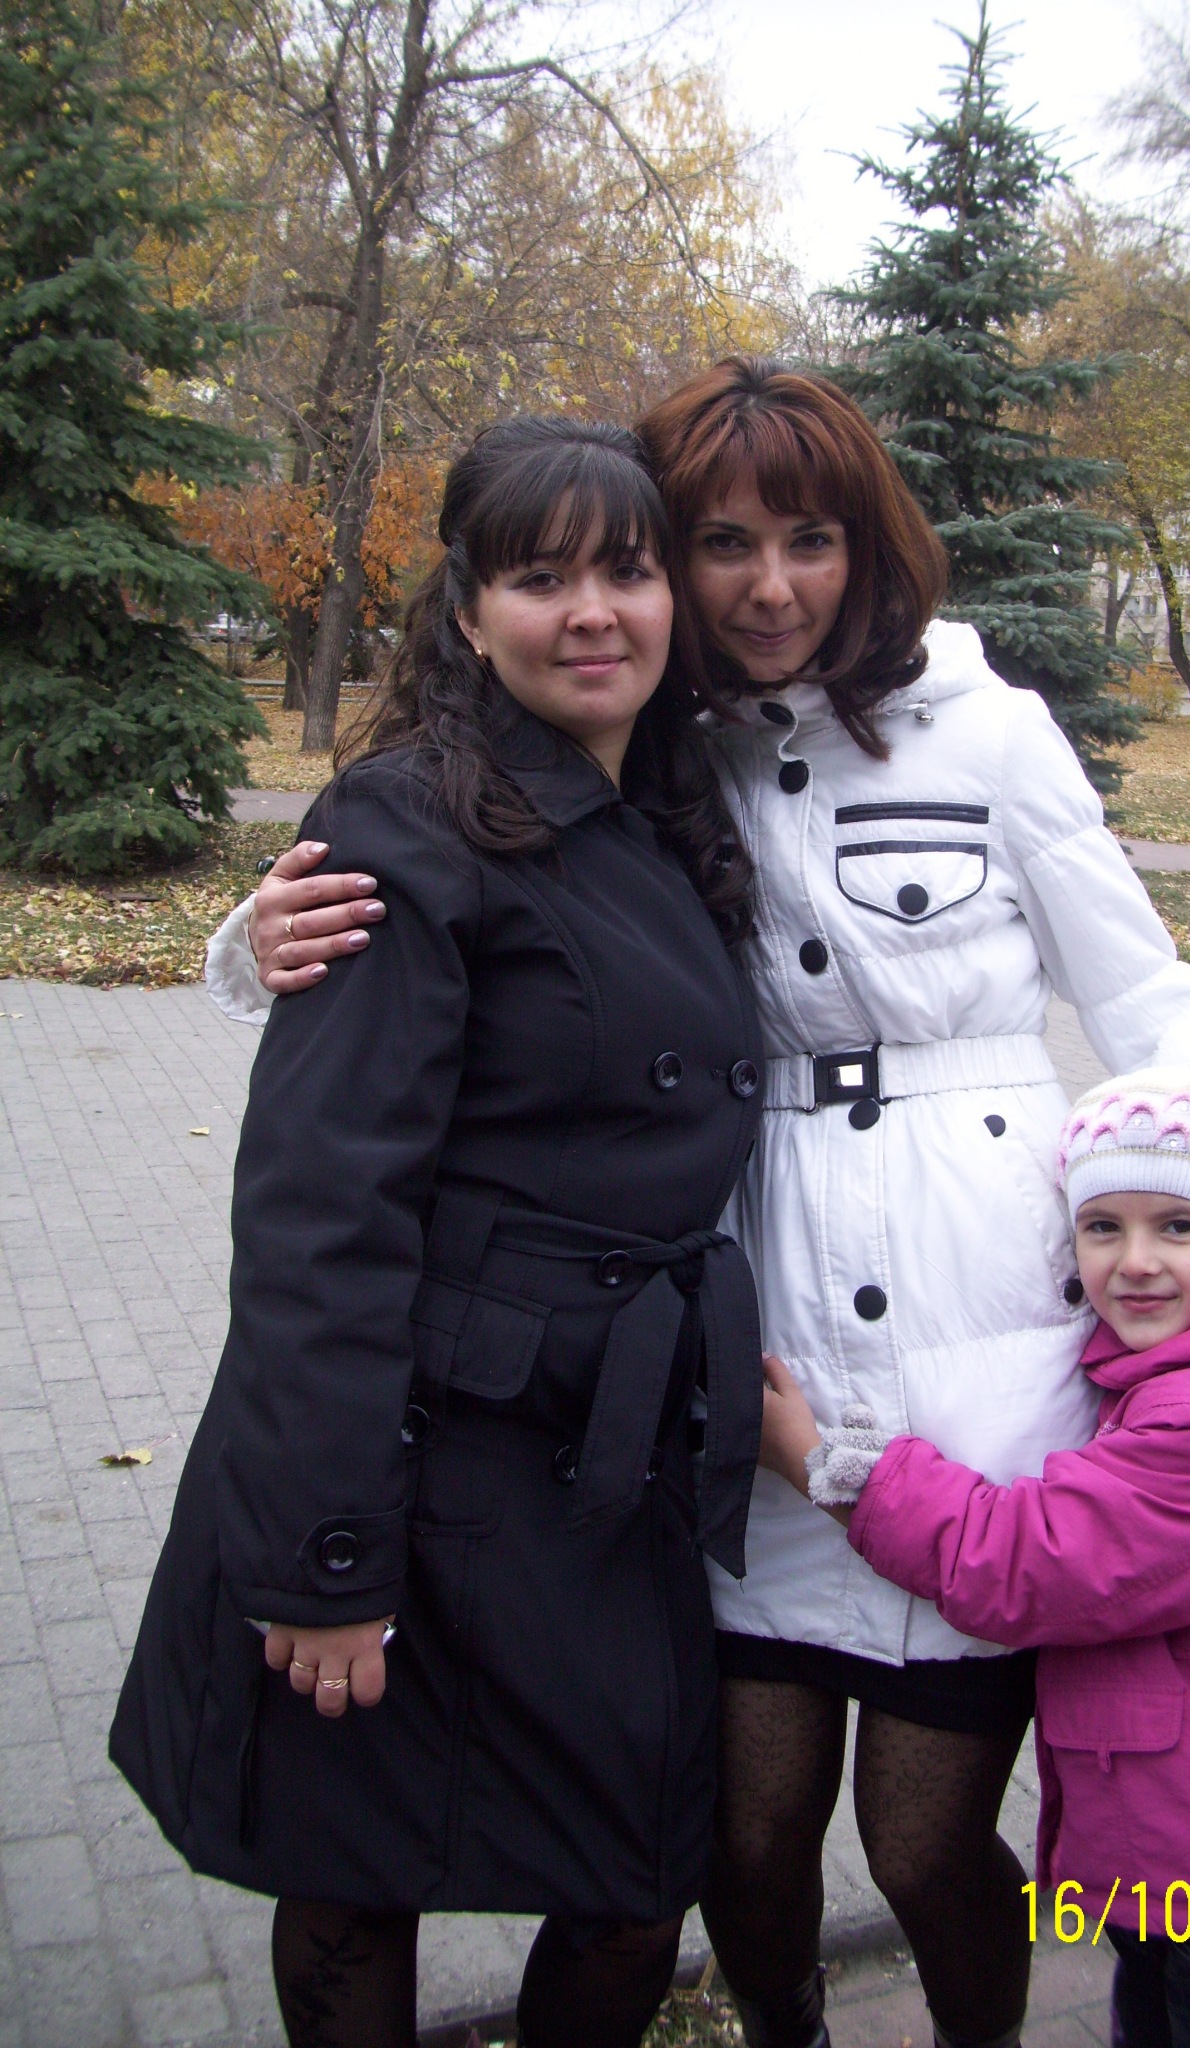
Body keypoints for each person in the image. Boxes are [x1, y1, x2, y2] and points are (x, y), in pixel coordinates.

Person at [208, 359, 1190, 2048]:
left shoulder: (989, 729)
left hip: (979, 1334)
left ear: (869, 544)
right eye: (724, 542)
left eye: (812, 540)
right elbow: (473, 879)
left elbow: (1163, 1011)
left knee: (923, 1843)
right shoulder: (653, 736)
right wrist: (246, 940)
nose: (771, 587)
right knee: (744, 1839)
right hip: (749, 1346)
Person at [110, 418, 769, 2048]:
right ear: (468, 613)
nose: (593, 611)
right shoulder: (407, 822)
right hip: (414, 1450)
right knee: (354, 1863)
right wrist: (326, 1560)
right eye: (541, 578)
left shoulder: (664, 798)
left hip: (593, 1454)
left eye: (627, 569)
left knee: (635, 1874)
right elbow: (321, 1209)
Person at [758, 1058, 1190, 2048]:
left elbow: (1025, 1562)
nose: (1134, 1261)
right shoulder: (1179, 1370)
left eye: (1179, 1226)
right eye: (1103, 1227)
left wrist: (830, 1465)